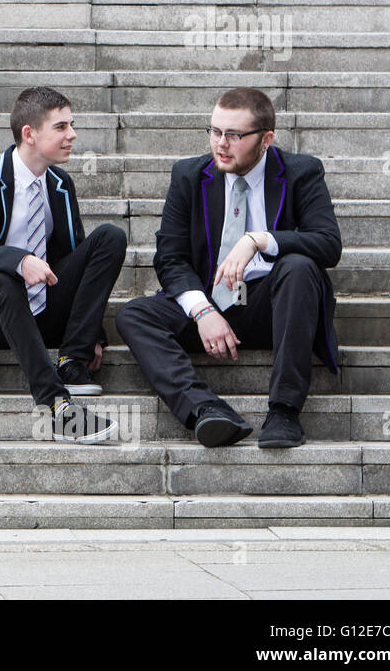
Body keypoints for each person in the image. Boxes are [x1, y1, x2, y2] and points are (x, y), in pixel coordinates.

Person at [116, 88, 342, 449]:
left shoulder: (301, 172)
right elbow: (170, 256)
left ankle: (284, 411)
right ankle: (206, 409)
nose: (221, 144)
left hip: (274, 308)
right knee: (134, 315)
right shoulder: (189, 175)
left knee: (299, 267)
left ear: (266, 138)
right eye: (215, 131)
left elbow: (328, 244)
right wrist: (203, 310)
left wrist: (260, 238)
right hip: (211, 307)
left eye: (234, 135)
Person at [0, 88, 127, 443]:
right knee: (4, 278)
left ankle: (71, 361)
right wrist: (20, 260)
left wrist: (91, 332)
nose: (72, 135)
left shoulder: (60, 183)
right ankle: (58, 405)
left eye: (71, 125)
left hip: (46, 309)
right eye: (61, 127)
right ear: (29, 134)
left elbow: (74, 255)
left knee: (110, 236)